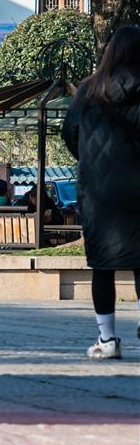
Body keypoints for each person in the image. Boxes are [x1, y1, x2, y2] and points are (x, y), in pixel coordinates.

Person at [61, 25, 140, 360]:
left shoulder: (89, 91)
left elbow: (69, 132)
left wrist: (92, 162)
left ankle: (107, 341)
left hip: (100, 196)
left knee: (102, 268)